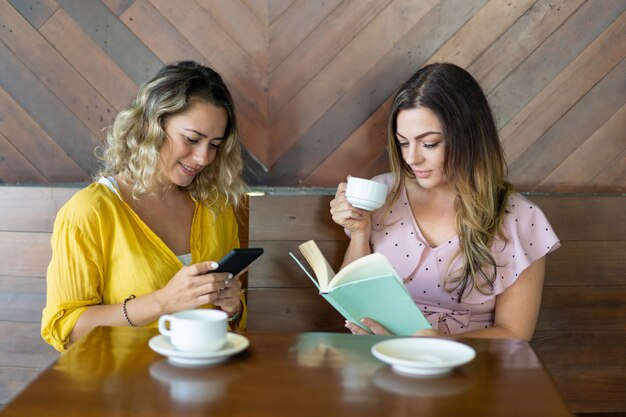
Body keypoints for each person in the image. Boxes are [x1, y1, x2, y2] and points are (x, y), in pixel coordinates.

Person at [330, 62, 560, 341]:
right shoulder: (382, 193)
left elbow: (514, 334)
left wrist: (438, 343)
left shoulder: (520, 218)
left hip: (471, 370)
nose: (412, 158)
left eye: (429, 143)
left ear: (469, 137)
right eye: (404, 143)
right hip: (381, 359)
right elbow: (354, 299)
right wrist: (359, 233)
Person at [42, 61, 248, 352]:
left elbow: (233, 318)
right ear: (150, 125)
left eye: (214, 144)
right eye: (192, 139)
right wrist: (162, 302)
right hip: (121, 387)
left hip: (205, 378)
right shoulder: (89, 212)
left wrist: (232, 307)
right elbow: (67, 328)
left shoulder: (216, 206)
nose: (203, 157)